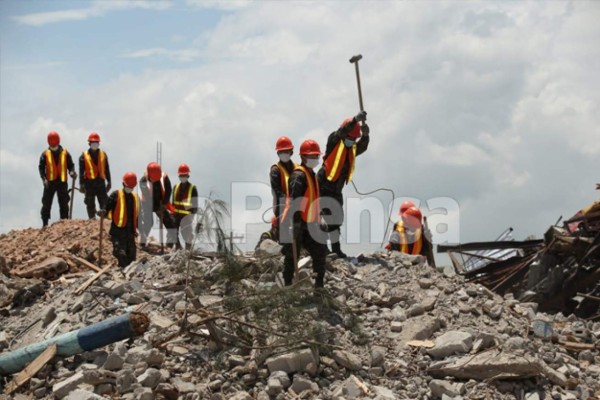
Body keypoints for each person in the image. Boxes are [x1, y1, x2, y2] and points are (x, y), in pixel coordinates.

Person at [317, 110, 369, 258]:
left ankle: (336, 250)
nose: (352, 141)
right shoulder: (334, 141)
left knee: (336, 219)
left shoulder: (351, 148)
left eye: (354, 139)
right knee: (321, 217)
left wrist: (365, 136)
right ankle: (322, 248)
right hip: (322, 186)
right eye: (350, 137)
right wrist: (354, 120)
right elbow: (340, 133)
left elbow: (362, 147)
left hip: (336, 189)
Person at [280, 139, 329, 288]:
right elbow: (295, 202)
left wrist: (320, 215)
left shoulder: (311, 175)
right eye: (311, 156)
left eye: (316, 156)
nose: (314, 159)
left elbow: (312, 199)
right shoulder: (299, 176)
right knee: (291, 256)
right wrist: (294, 225)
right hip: (295, 222)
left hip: (310, 222)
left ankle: (319, 285)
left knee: (320, 252)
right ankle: (288, 285)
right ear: (302, 157)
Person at [256, 136, 297, 249]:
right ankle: (286, 255)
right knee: (285, 237)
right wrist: (288, 201)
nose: (284, 153)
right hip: (282, 206)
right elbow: (277, 190)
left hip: (297, 206)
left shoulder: (298, 169)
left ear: (291, 152)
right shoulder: (275, 170)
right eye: (281, 151)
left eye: (286, 151)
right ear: (278, 153)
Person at [98, 172, 139, 269]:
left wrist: (136, 229)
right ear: (124, 184)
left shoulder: (134, 198)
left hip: (130, 232)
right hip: (118, 231)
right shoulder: (116, 195)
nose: (130, 188)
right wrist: (103, 211)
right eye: (129, 186)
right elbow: (107, 206)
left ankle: (129, 273)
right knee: (120, 253)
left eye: (132, 187)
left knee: (132, 255)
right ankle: (123, 272)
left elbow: (135, 215)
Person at [38, 131, 77, 227]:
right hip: (49, 183)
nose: (53, 146)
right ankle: (45, 223)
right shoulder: (45, 154)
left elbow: (71, 165)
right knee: (46, 203)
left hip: (62, 182)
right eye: (52, 145)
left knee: (64, 203)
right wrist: (44, 179)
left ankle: (64, 222)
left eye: (55, 144)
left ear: (58, 142)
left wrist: (72, 172)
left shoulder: (65, 153)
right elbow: (41, 168)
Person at [139, 162, 177, 249]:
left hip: (161, 203)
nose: (155, 181)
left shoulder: (164, 177)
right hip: (147, 204)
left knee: (170, 222)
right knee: (148, 222)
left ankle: (172, 244)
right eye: (153, 179)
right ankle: (143, 242)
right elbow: (148, 197)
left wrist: (164, 204)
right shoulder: (143, 181)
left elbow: (168, 190)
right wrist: (157, 208)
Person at [79, 132, 111, 219]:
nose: (94, 144)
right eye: (93, 143)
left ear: (99, 143)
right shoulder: (83, 156)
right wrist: (81, 185)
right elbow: (81, 172)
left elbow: (107, 169)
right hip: (89, 183)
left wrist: (109, 182)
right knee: (90, 203)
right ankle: (92, 220)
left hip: (101, 182)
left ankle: (104, 222)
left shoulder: (103, 155)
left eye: (96, 142)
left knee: (104, 203)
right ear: (89, 143)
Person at [172, 163, 199, 250]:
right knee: (172, 232)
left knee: (187, 234)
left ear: (188, 175)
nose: (182, 176)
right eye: (181, 175)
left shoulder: (192, 188)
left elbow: (195, 206)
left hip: (187, 217)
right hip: (176, 215)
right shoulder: (175, 187)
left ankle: (188, 251)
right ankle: (178, 248)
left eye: (184, 175)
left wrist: (191, 216)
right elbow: (173, 203)